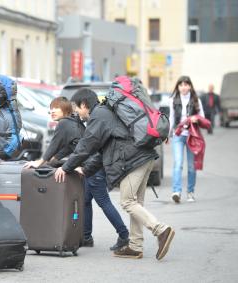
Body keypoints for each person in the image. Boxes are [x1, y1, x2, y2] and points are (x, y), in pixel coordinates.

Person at [54, 88, 174, 260]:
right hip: (144, 157)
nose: (77, 113)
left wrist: (65, 167)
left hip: (134, 161)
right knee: (136, 203)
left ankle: (161, 230)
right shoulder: (106, 114)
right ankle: (135, 246)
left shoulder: (99, 116)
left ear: (84, 105)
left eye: (77, 108)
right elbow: (103, 152)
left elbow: (86, 147)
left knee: (127, 202)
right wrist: (85, 170)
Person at [24, 96, 130, 251]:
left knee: (103, 202)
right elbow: (69, 147)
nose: (52, 111)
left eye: (56, 108)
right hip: (93, 166)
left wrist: (40, 162)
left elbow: (54, 145)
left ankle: (123, 234)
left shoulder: (64, 124)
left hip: (93, 168)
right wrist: (52, 162)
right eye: (51, 108)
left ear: (66, 109)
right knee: (85, 200)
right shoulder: (73, 122)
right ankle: (86, 237)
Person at [169, 76, 205, 203]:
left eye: (186, 85)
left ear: (190, 86)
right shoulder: (173, 100)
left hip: (192, 136)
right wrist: (168, 135)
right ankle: (176, 192)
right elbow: (171, 118)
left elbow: (203, 118)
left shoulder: (196, 100)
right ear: (178, 87)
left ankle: (190, 192)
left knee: (191, 166)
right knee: (178, 164)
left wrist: (196, 118)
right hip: (178, 135)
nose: (183, 87)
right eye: (181, 85)